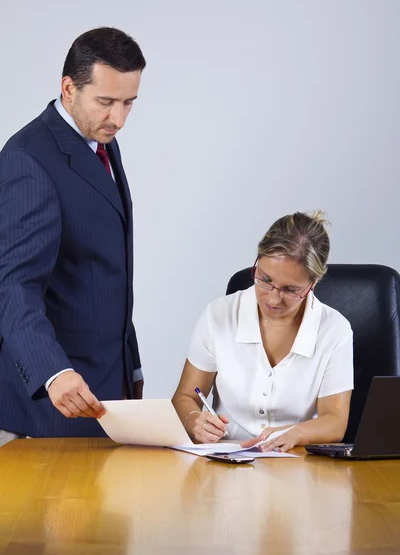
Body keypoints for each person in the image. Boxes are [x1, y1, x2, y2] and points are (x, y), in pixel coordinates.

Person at [0, 27, 146, 445]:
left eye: (128, 103)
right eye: (106, 102)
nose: (117, 119)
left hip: (105, 388)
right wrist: (52, 372)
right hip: (52, 402)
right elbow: (14, 284)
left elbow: (104, 270)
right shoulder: (28, 159)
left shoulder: (100, 141)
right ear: (68, 88)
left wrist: (129, 367)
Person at [172, 211, 353, 452]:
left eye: (290, 289)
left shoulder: (334, 330)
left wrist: (295, 433)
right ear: (257, 261)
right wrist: (194, 420)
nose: (274, 298)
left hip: (298, 464)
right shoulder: (219, 315)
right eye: (265, 279)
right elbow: (185, 397)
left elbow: (335, 421)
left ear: (314, 282)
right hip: (227, 459)